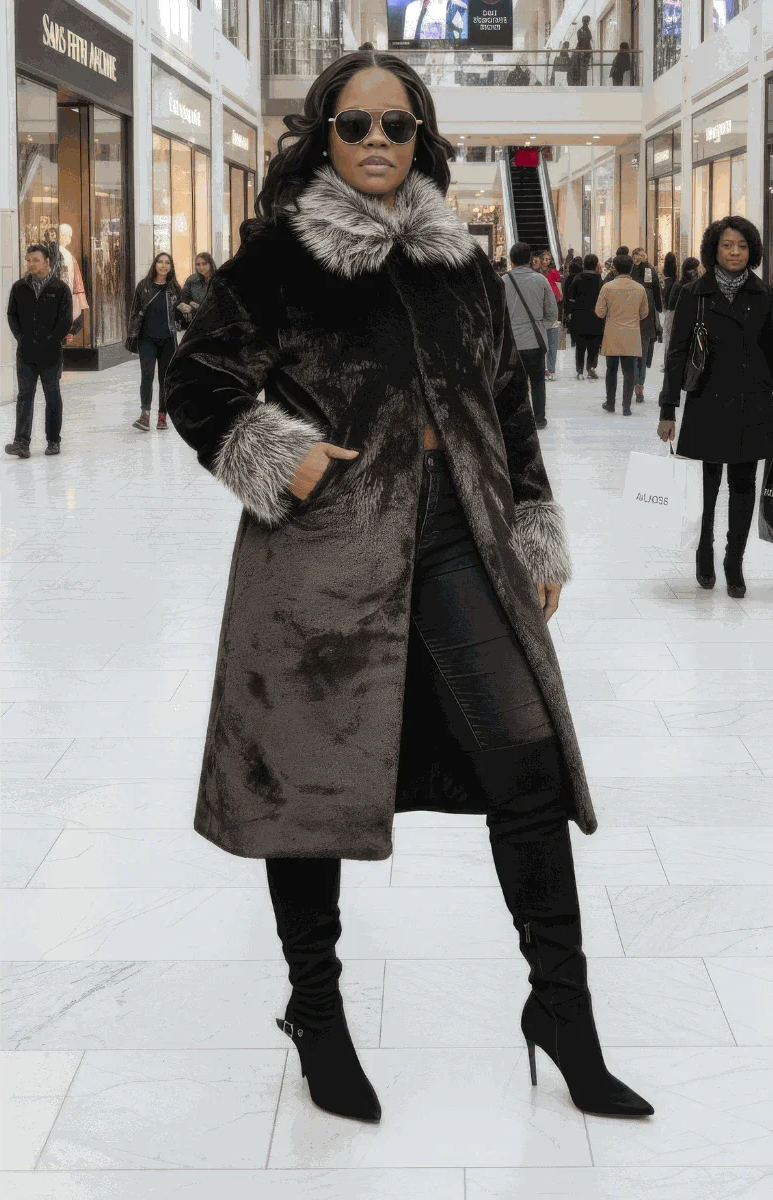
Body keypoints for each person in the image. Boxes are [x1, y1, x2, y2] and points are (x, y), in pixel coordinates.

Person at [164, 47, 653, 1126]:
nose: (376, 142)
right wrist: (267, 448)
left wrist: (532, 525)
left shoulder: (459, 263)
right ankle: (316, 1011)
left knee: (523, 759)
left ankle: (560, 1013)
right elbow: (195, 378)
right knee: (306, 788)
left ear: (420, 135)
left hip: (461, 542)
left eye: (395, 125)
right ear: (323, 136)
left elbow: (508, 401)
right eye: (354, 126)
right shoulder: (279, 259)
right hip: (323, 553)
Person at [658, 216, 773, 598]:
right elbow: (676, 355)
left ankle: (733, 561)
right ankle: (704, 551)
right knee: (705, 487)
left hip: (752, 405)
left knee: (743, 486)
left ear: (751, 250)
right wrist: (668, 409)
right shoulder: (695, 294)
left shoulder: (764, 295)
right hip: (707, 402)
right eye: (727, 245)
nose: (735, 252)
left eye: (741, 246)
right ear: (714, 249)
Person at [5, 243, 73, 459]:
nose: (30, 264)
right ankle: (21, 443)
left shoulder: (60, 288)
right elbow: (12, 315)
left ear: (47, 262)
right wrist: (21, 338)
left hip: (51, 353)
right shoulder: (19, 287)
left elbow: (65, 320)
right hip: (25, 353)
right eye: (28, 260)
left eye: (35, 259)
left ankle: (53, 440)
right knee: (25, 396)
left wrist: (52, 340)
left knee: (52, 395)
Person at [125, 252, 186, 431]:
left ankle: (162, 416)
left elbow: (181, 317)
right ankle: (145, 414)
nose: (163, 265)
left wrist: (184, 309)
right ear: (155, 264)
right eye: (160, 262)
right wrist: (132, 337)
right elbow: (135, 312)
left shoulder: (175, 287)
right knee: (147, 375)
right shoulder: (143, 286)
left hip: (168, 339)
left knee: (164, 379)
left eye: (167, 263)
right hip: (147, 339)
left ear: (171, 267)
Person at [504, 242, 558, 429]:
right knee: (537, 381)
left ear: (511, 260)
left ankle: (516, 418)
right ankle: (540, 419)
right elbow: (552, 313)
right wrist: (538, 325)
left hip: (511, 343)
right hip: (535, 341)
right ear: (529, 260)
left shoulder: (502, 281)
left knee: (513, 383)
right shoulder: (541, 280)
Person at [594, 252, 648, 414]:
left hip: (613, 332)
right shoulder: (639, 289)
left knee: (611, 369)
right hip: (631, 332)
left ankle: (610, 403)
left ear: (615, 269)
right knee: (629, 370)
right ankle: (626, 406)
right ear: (631, 268)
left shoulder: (607, 287)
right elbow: (644, 313)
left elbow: (599, 312)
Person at [630, 248, 663, 401]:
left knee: (634, 357)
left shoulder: (630, 272)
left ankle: (635, 386)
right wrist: (658, 307)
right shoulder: (649, 271)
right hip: (645, 320)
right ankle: (638, 388)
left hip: (632, 321)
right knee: (641, 357)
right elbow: (656, 291)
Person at [567, 253, 604, 380]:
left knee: (580, 345)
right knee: (594, 344)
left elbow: (570, 295)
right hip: (595, 316)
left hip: (579, 315)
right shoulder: (599, 279)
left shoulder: (578, 277)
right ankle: (591, 367)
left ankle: (579, 370)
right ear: (596, 265)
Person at [539, 249, 563, 380]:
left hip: (553, 305)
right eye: (544, 259)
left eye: (548, 259)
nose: (546, 262)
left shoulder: (554, 272)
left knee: (552, 342)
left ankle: (551, 369)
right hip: (540, 308)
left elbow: (559, 288)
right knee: (542, 342)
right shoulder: (536, 272)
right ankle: (542, 369)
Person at [180, 251, 217, 320]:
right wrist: (190, 302)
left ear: (211, 264)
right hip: (196, 319)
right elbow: (183, 297)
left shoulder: (218, 280)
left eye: (204, 264)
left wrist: (201, 307)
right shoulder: (191, 279)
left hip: (215, 319)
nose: (201, 267)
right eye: (198, 264)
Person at [562, 254, 583, 347]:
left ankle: (573, 340)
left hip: (569, 305)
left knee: (571, 322)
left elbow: (566, 292)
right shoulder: (581, 277)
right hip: (579, 305)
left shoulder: (568, 278)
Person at [660, 251, 678, 356]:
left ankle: (666, 361)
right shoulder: (675, 281)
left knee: (667, 339)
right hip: (673, 311)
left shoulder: (665, 281)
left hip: (667, 312)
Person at [572, 15, 593, 85]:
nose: (588, 23)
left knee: (584, 71)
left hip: (586, 53)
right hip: (583, 54)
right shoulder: (581, 31)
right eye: (587, 21)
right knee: (582, 71)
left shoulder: (587, 30)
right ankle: (583, 86)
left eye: (588, 21)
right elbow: (583, 41)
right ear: (584, 21)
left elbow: (588, 41)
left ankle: (583, 85)